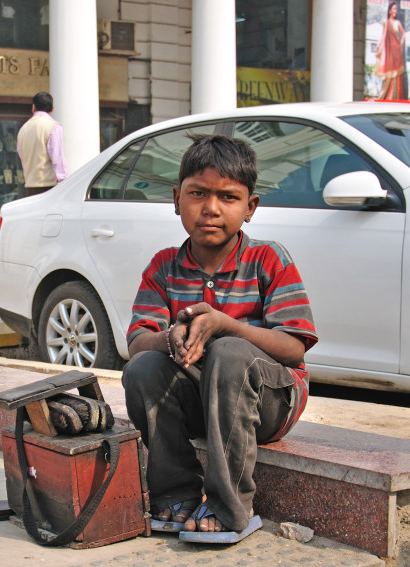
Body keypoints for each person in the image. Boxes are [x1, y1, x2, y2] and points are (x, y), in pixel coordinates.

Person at [122, 134, 318, 542]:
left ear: (250, 207)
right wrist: (172, 336)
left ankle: (231, 506)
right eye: (198, 194)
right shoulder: (163, 267)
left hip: (269, 404)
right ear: (177, 199)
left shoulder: (269, 258)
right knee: (144, 367)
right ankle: (175, 494)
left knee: (230, 352)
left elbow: (294, 346)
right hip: (203, 403)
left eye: (228, 197)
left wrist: (228, 326)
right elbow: (138, 342)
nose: (210, 209)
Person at [17, 91, 68, 196]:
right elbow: (57, 158)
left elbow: (21, 154)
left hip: (29, 187)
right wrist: (64, 184)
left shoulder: (23, 129)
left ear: (33, 108)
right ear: (52, 108)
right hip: (49, 187)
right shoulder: (53, 126)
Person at [375, 1, 406, 100]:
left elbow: (403, 34)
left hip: (397, 51)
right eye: (394, 9)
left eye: (396, 9)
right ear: (389, 10)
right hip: (389, 52)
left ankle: (396, 97)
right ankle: (387, 96)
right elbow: (383, 35)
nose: (395, 11)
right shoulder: (386, 22)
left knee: (397, 76)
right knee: (389, 73)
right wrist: (378, 45)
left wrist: (400, 44)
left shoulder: (397, 23)